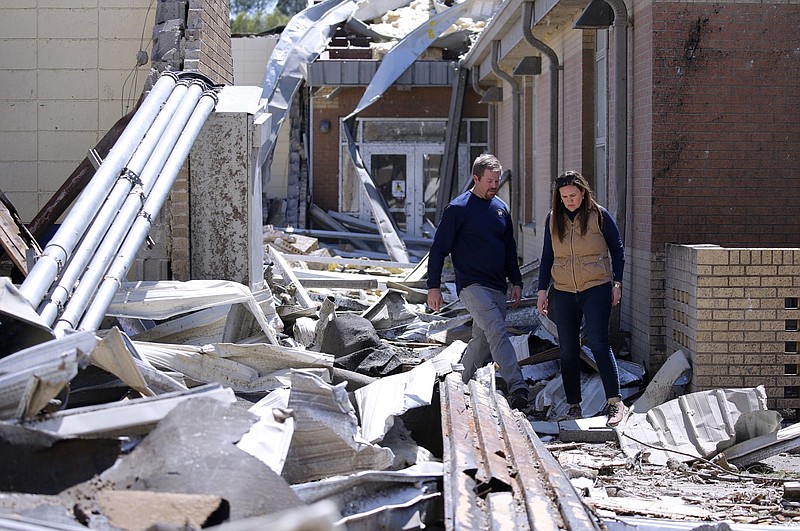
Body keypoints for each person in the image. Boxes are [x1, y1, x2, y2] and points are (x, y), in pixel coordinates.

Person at [427, 154, 529, 411]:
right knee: (496, 329)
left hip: (497, 285)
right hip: (471, 285)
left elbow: (509, 249)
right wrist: (433, 286)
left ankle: (457, 383)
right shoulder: (458, 209)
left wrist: (516, 281)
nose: (494, 185)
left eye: (496, 180)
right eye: (489, 181)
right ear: (476, 178)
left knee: (483, 340)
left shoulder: (500, 208)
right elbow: (439, 249)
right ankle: (518, 387)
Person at [536, 170, 626, 427]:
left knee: (598, 343)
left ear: (583, 192)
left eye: (573, 195)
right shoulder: (553, 219)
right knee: (568, 349)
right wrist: (543, 290)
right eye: (564, 197)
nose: (569, 200)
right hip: (564, 291)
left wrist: (617, 283)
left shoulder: (599, 215)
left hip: (596, 288)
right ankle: (574, 406)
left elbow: (617, 251)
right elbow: (546, 256)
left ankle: (615, 403)